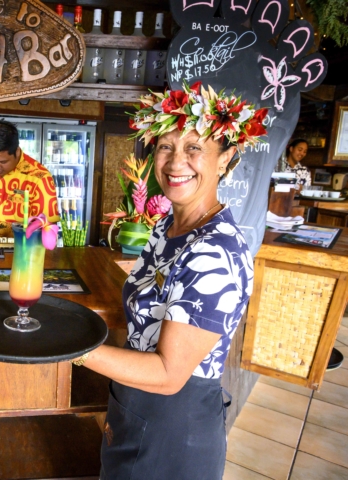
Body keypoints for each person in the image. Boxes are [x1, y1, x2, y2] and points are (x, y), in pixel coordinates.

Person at [72, 83, 268, 479]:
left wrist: (66, 348)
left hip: (171, 429)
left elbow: (167, 374)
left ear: (226, 158)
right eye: (165, 146)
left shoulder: (215, 251)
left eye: (194, 148)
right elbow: (163, 289)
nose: (176, 162)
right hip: (136, 410)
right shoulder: (169, 225)